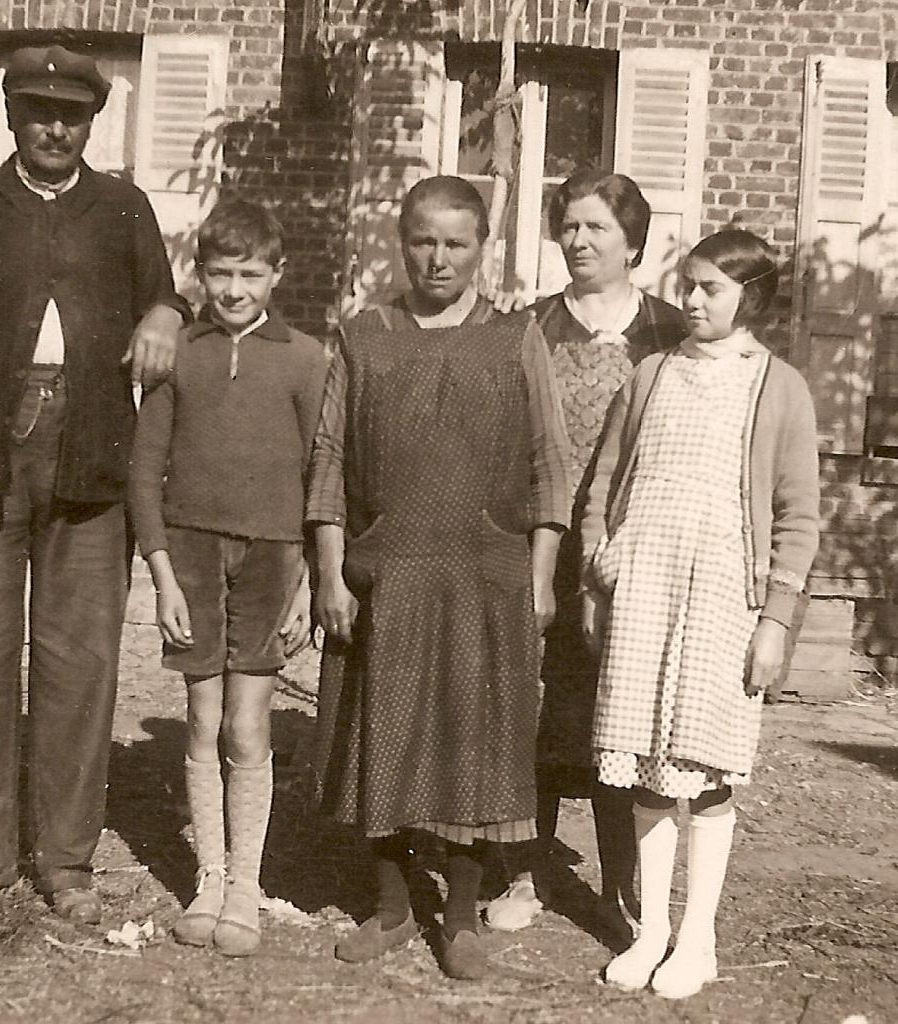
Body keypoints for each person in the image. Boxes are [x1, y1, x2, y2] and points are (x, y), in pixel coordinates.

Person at [0, 45, 190, 923]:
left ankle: (66, 860)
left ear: (93, 123)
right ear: (10, 118)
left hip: (92, 456)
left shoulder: (124, 208)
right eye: (38, 111)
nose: (55, 127)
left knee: (79, 663)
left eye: (72, 114)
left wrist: (167, 309)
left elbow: (166, 300)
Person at [307, 175, 573, 981]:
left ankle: (458, 918)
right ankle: (391, 907)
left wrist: (541, 577)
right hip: (385, 573)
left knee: (471, 743)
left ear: (481, 248)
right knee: (377, 741)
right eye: (424, 240)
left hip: (484, 579)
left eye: (457, 243)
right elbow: (327, 459)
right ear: (402, 240)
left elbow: (548, 465)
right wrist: (328, 570)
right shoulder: (363, 336)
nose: (439, 258)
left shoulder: (515, 337)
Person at [581, 229, 819, 998]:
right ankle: (651, 933)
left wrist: (777, 619)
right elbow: (605, 480)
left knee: (706, 772)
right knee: (647, 770)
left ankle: (699, 937)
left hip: (722, 598)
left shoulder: (777, 386)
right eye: (686, 284)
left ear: (750, 298)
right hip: (645, 591)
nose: (690, 300)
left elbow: (798, 514)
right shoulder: (651, 374)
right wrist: (600, 558)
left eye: (710, 288)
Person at [487, 170, 685, 935]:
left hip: (630, 552)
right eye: (569, 226)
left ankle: (621, 885)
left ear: (632, 240)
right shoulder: (533, 324)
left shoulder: (667, 330)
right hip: (541, 542)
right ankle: (522, 875)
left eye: (597, 227)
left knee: (622, 713)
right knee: (532, 707)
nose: (578, 241)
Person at [128, 199, 326, 956]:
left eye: (250, 273)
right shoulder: (182, 352)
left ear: (277, 275)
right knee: (204, 720)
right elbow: (146, 472)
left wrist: (309, 576)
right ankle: (208, 876)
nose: (235, 289)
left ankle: (246, 883)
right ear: (200, 275)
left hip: (274, 556)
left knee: (248, 724)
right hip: (193, 553)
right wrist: (163, 576)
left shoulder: (307, 359)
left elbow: (322, 477)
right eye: (220, 273)